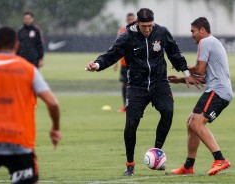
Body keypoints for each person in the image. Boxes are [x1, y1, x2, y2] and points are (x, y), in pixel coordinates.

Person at [85, 8, 201, 176]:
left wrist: (186, 74)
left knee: (168, 111)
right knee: (131, 124)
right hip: (136, 86)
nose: (148, 29)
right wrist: (97, 65)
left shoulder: (161, 32)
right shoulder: (127, 36)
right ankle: (130, 164)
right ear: (137, 23)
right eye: (144, 26)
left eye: (150, 26)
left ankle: (156, 153)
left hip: (159, 83)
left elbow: (174, 53)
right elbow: (111, 55)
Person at [0, 26, 61, 184]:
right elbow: (53, 104)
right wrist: (55, 128)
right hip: (19, 140)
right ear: (16, 45)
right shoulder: (29, 70)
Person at [169, 17, 233, 176]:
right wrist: (181, 80)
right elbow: (204, 76)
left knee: (197, 123)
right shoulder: (212, 42)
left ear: (202, 30)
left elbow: (199, 69)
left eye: (193, 31)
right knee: (191, 122)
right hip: (218, 89)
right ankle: (188, 166)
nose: (192, 35)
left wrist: (182, 67)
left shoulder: (206, 42)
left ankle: (220, 159)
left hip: (217, 90)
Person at [114, 13, 136, 113]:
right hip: (124, 63)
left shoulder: (138, 30)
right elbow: (117, 47)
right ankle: (125, 106)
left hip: (135, 63)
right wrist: (115, 62)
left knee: (136, 85)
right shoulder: (122, 31)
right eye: (129, 19)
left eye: (132, 19)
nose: (131, 21)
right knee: (125, 84)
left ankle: (137, 106)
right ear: (126, 20)